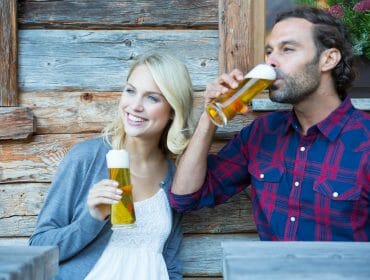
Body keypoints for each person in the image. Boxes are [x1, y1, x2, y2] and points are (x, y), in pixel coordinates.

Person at [170, 6, 370, 241]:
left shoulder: (364, 140)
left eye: (287, 49)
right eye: (269, 51)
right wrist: (209, 117)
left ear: (328, 59)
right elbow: (184, 198)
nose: (271, 61)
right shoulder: (262, 132)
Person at [29, 52, 196, 279]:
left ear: (172, 111)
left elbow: (171, 263)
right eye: (130, 91)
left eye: (152, 98)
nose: (135, 106)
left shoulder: (174, 176)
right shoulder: (88, 158)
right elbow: (38, 247)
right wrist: (93, 218)